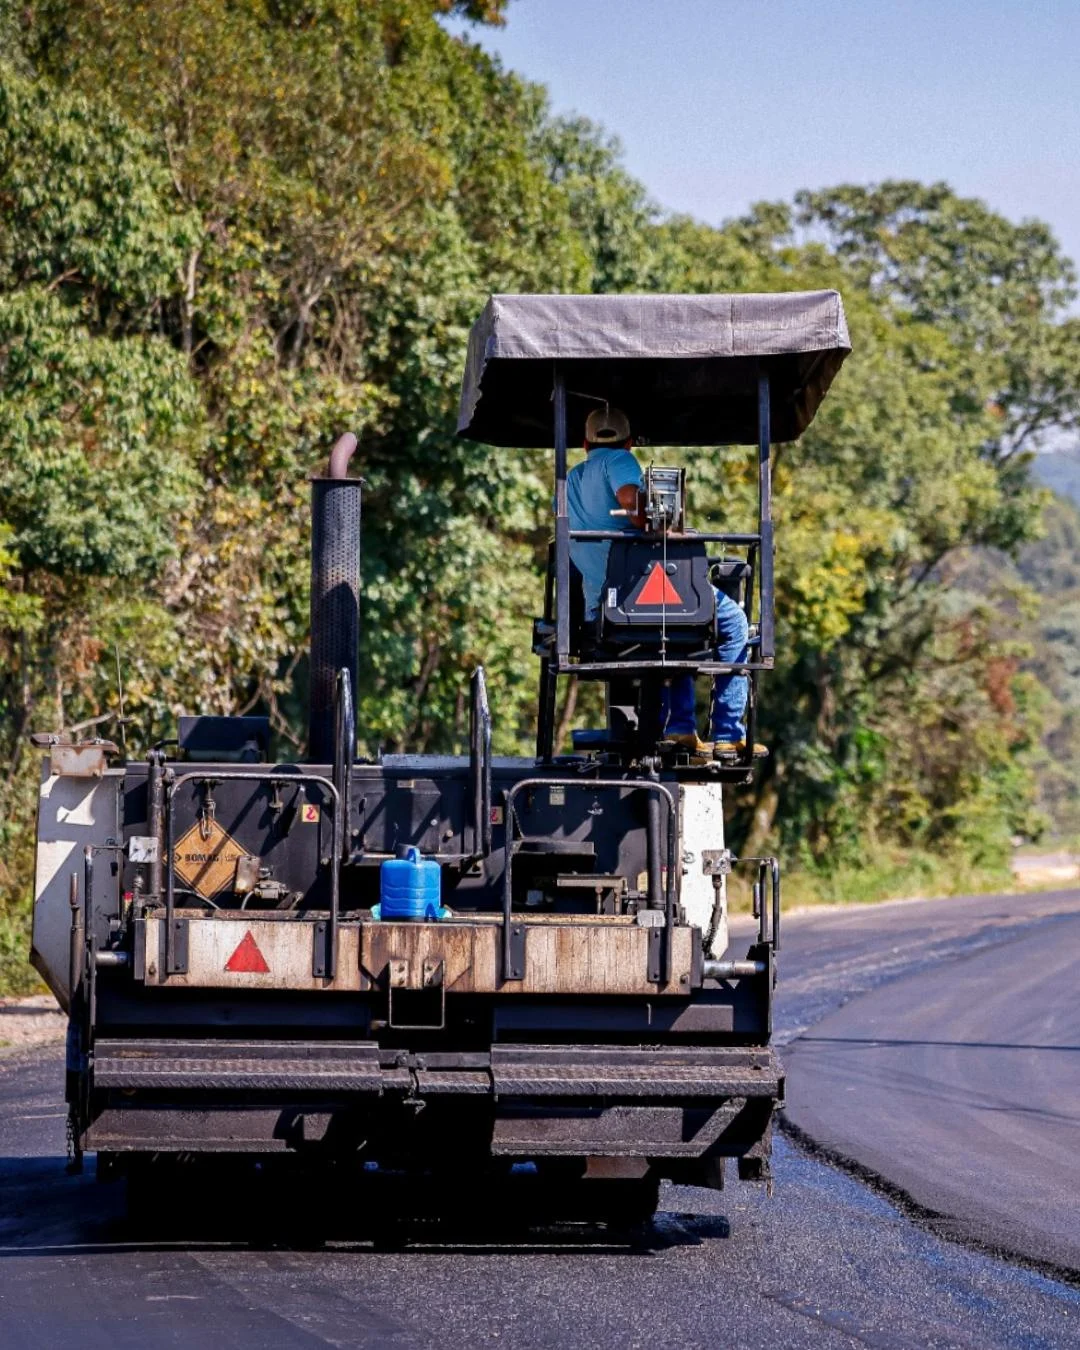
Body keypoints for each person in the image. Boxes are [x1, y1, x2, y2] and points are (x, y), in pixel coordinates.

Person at [566, 406, 750, 755]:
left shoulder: (572, 479)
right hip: (631, 596)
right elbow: (629, 503)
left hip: (599, 609)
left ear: (584, 444)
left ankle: (680, 726)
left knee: (679, 625)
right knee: (732, 621)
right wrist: (654, 521)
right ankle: (727, 732)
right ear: (630, 443)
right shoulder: (620, 461)